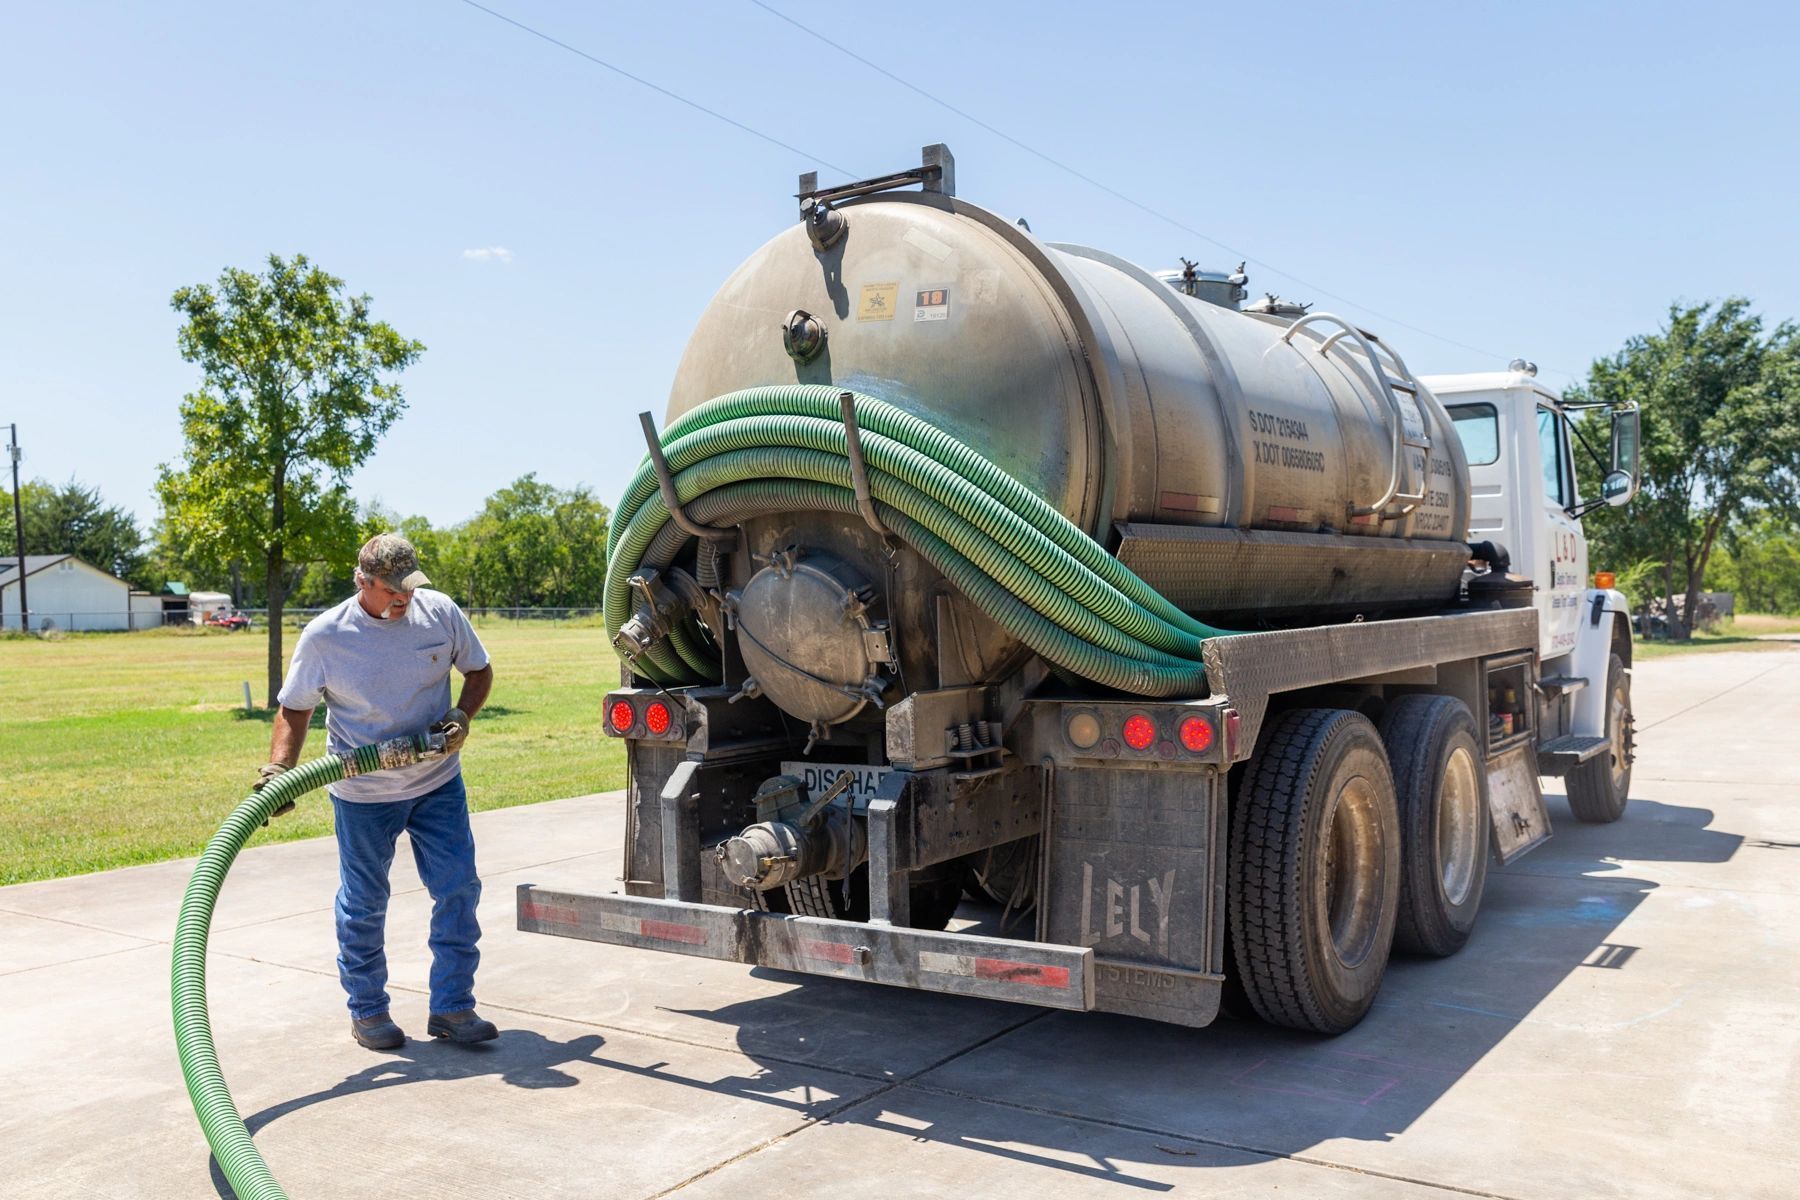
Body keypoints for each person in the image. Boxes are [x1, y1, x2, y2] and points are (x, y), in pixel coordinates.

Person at [260, 533, 497, 1051]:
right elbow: (294, 708)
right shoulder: (327, 636)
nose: (405, 599)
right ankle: (368, 1011)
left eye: (411, 588)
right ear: (363, 582)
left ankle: (453, 1007)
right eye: (394, 591)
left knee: (458, 887)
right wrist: (281, 770)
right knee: (365, 901)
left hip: (436, 782)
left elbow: (478, 670)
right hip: (363, 791)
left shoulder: (438, 612)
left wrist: (462, 715)